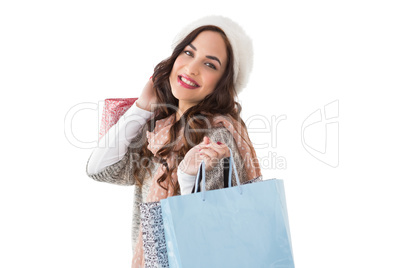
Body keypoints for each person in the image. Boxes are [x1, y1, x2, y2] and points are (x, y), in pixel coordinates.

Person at [86, 15, 262, 268]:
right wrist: (142, 108)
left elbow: (211, 230)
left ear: (223, 82)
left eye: (210, 65)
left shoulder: (217, 135)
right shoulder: (160, 127)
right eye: (189, 53)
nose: (191, 68)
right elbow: (99, 169)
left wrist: (188, 175)